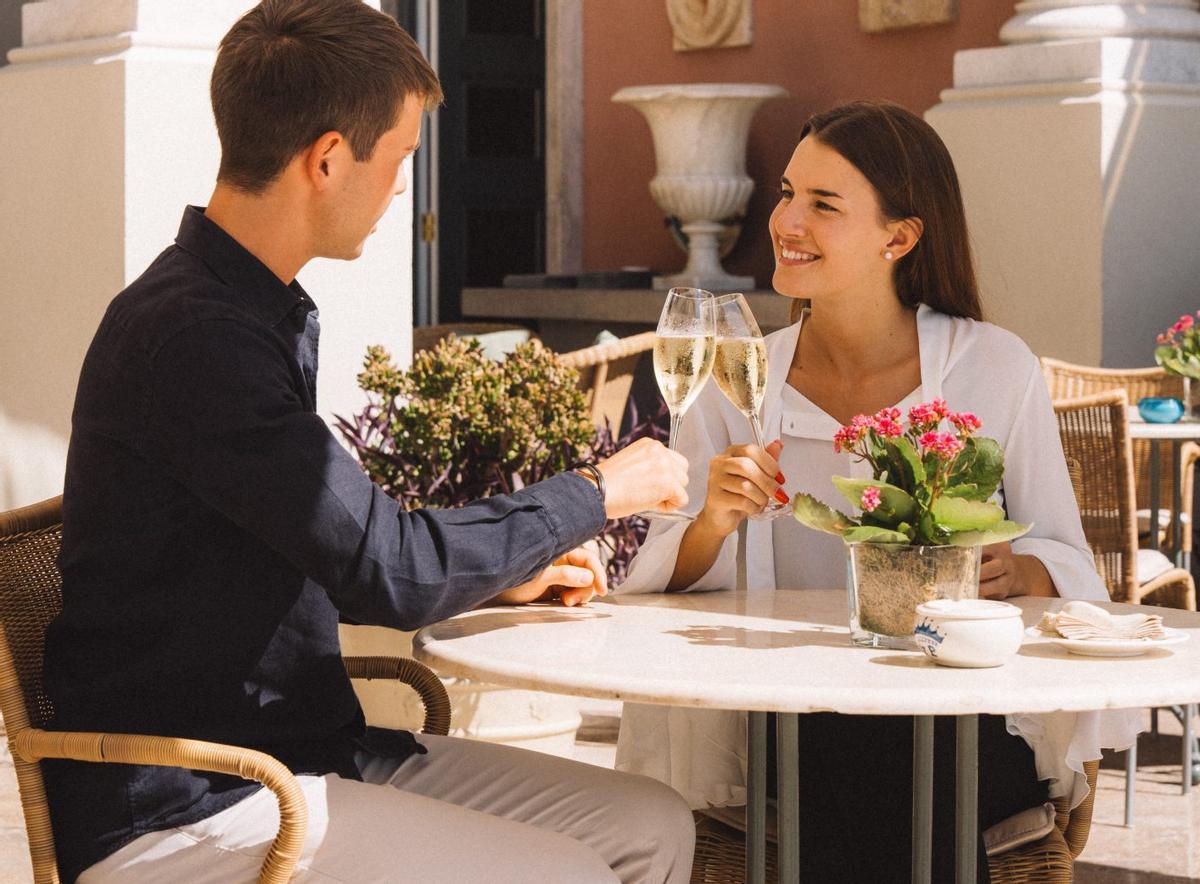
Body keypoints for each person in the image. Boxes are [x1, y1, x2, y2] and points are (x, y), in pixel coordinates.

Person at [40, 2, 696, 882]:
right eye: (400, 161)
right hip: (194, 803)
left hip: (305, 756)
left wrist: (506, 571)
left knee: (649, 823)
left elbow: (335, 551)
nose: (402, 190)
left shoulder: (243, 312)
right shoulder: (195, 337)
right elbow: (393, 568)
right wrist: (598, 491)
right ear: (326, 159)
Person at [614, 100, 1140, 881]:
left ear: (899, 237)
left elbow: (1064, 560)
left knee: (894, 742)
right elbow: (666, 579)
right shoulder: (741, 379)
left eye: (823, 205)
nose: (787, 220)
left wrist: (1016, 571)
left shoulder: (993, 367)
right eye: (788, 193)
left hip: (951, 721)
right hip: (781, 722)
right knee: (824, 737)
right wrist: (713, 522)